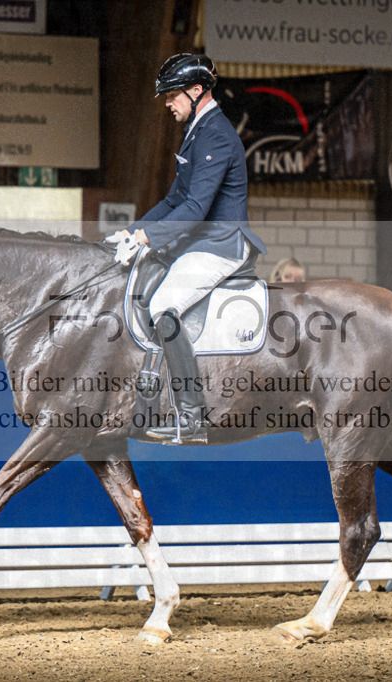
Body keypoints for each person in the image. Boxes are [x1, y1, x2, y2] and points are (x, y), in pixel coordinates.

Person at [120, 53, 267, 444]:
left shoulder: (216, 135)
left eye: (171, 96)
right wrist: (130, 232)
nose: (168, 103)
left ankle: (192, 415)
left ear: (197, 89)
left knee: (161, 307)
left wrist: (148, 238)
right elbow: (172, 201)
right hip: (200, 241)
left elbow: (196, 208)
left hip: (221, 244)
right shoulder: (197, 131)